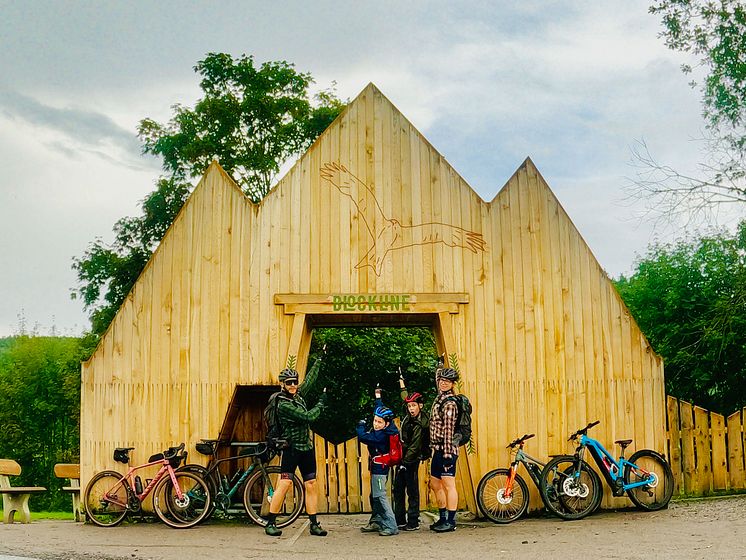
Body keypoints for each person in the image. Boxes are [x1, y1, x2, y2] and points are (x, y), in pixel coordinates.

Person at [264, 357, 328, 537]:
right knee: (284, 484)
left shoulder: (298, 396)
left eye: (295, 382)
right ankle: (270, 522)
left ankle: (314, 524)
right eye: (289, 383)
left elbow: (309, 381)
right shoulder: (283, 404)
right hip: (292, 449)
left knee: (311, 484)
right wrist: (321, 404)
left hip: (306, 448)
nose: (293, 385)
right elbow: (307, 417)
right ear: (282, 384)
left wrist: (319, 360)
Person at [357, 389, 400, 536]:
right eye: (375, 420)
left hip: (380, 470)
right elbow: (378, 409)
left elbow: (362, 437)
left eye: (379, 422)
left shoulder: (381, 436)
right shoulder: (388, 428)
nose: (375, 424)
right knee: (374, 496)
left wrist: (361, 425)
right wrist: (378, 398)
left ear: (386, 423)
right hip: (378, 468)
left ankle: (391, 525)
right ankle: (376, 521)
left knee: (380, 496)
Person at [394, 375, 429, 530]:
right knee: (398, 489)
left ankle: (413, 521)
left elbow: (415, 446)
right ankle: (400, 520)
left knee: (412, 490)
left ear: (420, 405)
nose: (411, 408)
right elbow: (405, 398)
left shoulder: (420, 423)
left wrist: (404, 463)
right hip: (404, 457)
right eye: (409, 406)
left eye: (414, 405)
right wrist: (402, 384)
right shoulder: (408, 416)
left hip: (412, 459)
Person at [428, 366, 461, 533]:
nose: (443, 383)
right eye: (441, 380)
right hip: (437, 449)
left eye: (447, 381)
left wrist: (448, 454)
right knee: (435, 483)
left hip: (447, 449)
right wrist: (439, 366)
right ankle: (441, 517)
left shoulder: (449, 404)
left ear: (453, 384)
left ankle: (451, 520)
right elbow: (437, 378)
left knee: (448, 484)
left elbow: (449, 431)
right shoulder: (440, 397)